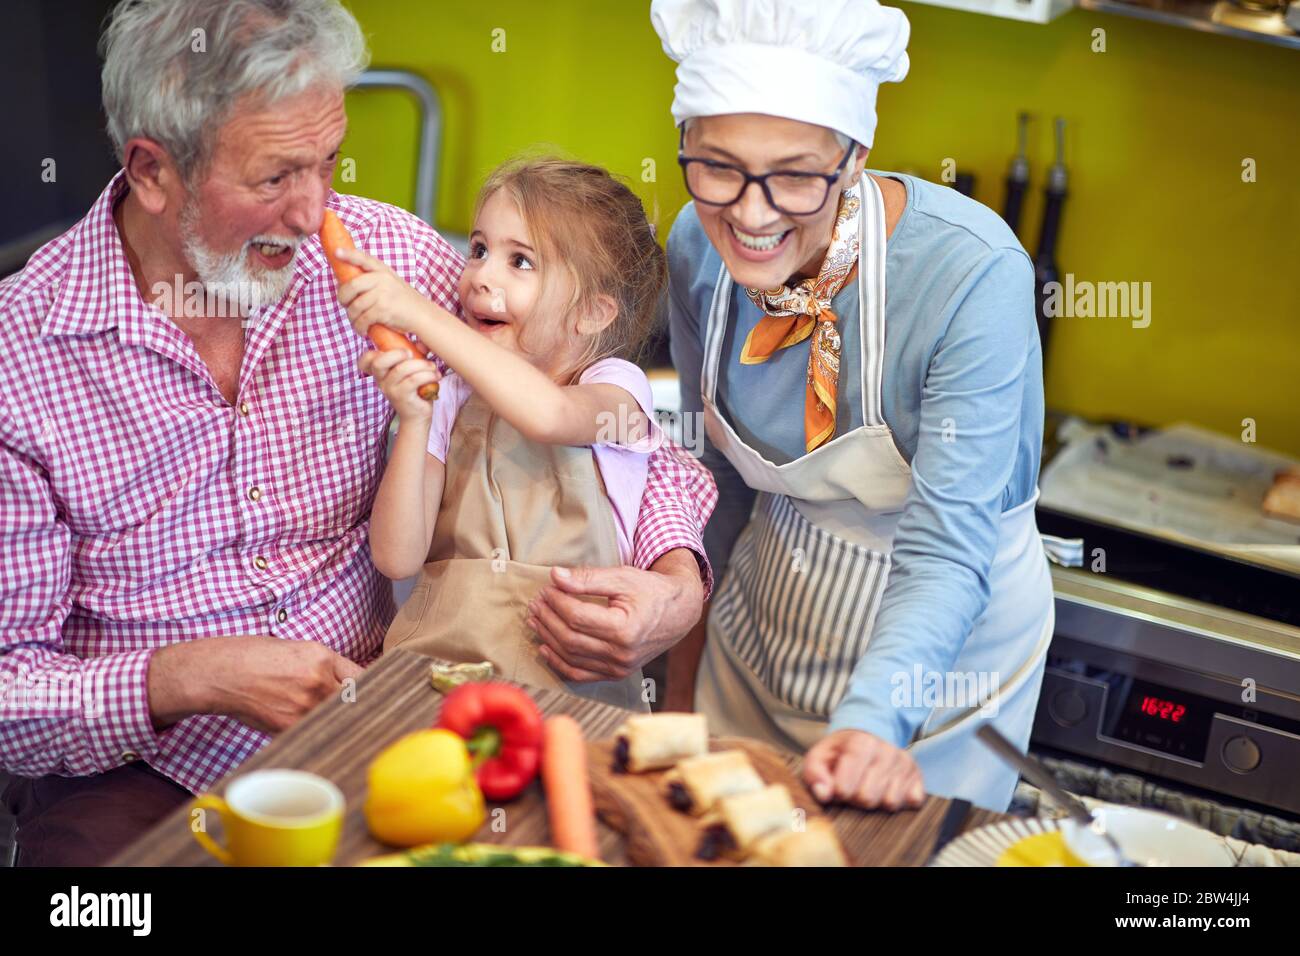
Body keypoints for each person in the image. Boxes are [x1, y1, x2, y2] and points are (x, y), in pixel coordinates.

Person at [0, 0, 715, 866]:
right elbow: (11, 695)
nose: (316, 214)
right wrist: (190, 678)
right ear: (152, 171)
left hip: (391, 712)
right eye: (274, 178)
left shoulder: (386, 259)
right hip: (148, 767)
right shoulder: (23, 357)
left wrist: (676, 583)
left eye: (328, 161)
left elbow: (598, 415)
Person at [654, 0, 1055, 812]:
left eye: (797, 175)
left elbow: (946, 551)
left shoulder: (971, 275)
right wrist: (680, 660)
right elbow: (714, 485)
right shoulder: (695, 250)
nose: (752, 214)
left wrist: (876, 724)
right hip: (762, 630)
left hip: (942, 677)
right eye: (718, 167)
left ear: (856, 155)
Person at [340, 158, 708, 710]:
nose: (482, 276)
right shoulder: (449, 398)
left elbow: (550, 417)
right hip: (435, 681)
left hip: (575, 692)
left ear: (590, 313)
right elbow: (398, 559)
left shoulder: (615, 391)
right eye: (480, 249)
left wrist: (416, 312)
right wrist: (414, 422)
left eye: (521, 262)